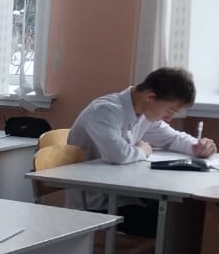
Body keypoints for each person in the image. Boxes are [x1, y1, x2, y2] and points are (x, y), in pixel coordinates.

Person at [68, 67, 217, 237]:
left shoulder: (144, 113)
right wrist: (143, 150)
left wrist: (197, 146)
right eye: (170, 111)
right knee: (175, 224)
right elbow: (118, 154)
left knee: (183, 213)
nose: (169, 118)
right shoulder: (105, 110)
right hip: (97, 204)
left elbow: (171, 138)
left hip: (124, 194)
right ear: (150, 97)